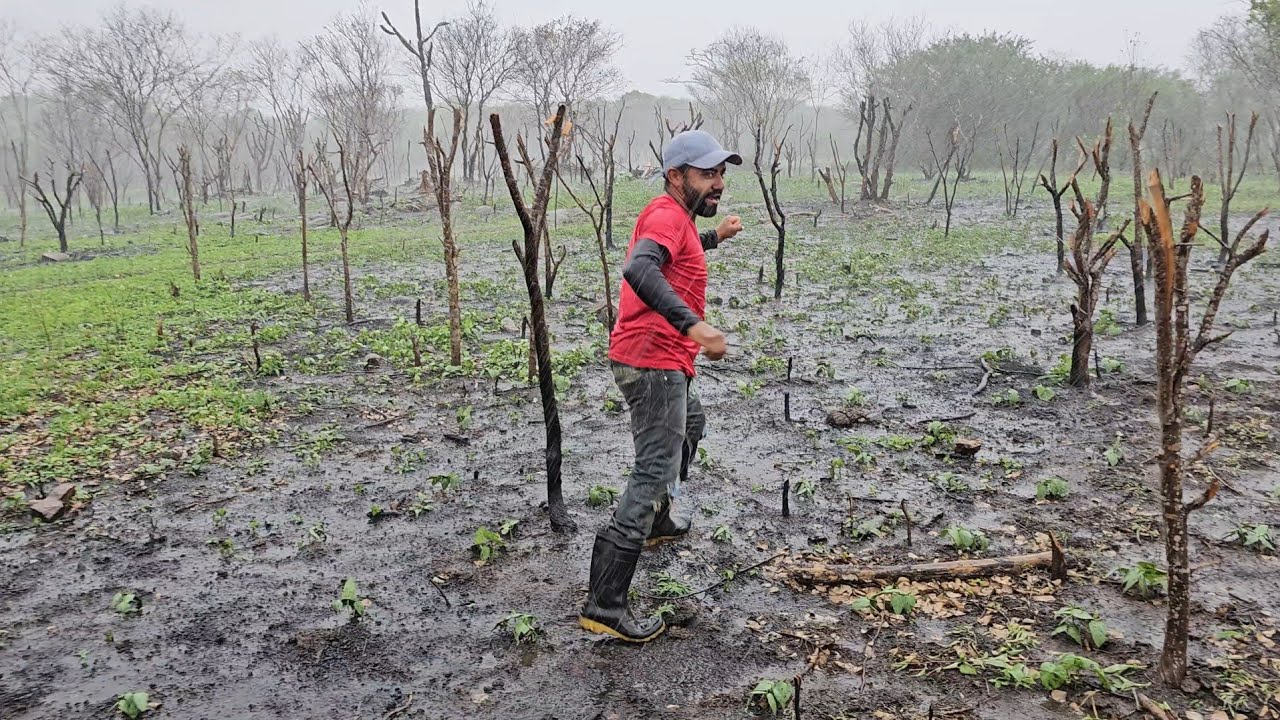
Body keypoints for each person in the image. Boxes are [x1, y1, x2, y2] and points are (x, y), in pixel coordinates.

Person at [578, 130, 744, 643]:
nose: (718, 183)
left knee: (691, 423)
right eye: (707, 174)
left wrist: (718, 238)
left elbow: (678, 253)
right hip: (653, 364)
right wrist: (692, 325)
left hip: (659, 361)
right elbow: (640, 268)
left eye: (721, 174)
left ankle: (658, 522)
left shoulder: (681, 220)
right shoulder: (667, 215)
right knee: (651, 471)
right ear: (676, 176)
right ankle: (605, 605)